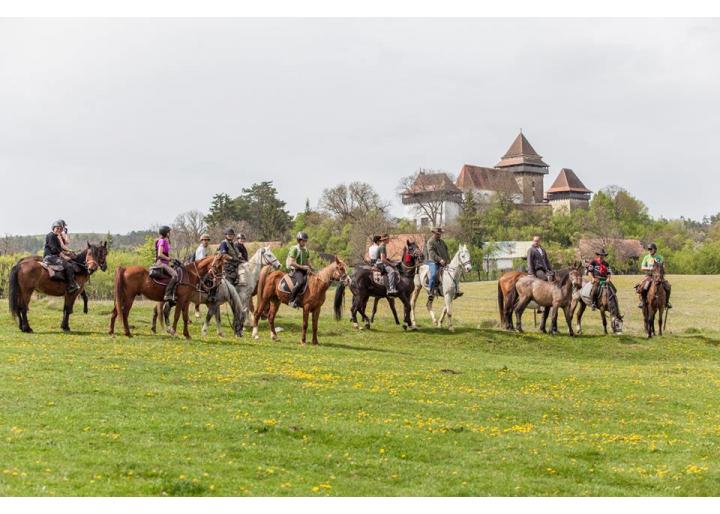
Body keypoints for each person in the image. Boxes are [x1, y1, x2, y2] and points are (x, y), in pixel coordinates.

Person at [425, 227, 463, 300]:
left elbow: (446, 252)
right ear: (434, 233)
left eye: (440, 234)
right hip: (433, 262)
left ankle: (457, 290)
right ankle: (431, 292)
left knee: (454, 274)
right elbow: (432, 253)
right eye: (438, 234)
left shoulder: (442, 242)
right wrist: (440, 260)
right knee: (433, 275)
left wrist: (448, 260)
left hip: (443, 262)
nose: (439, 235)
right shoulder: (430, 242)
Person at [43, 221, 80, 294]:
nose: (59, 230)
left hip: (53, 256)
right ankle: (71, 286)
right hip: (50, 257)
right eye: (57, 228)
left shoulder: (55, 236)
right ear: (53, 228)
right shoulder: (51, 236)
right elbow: (54, 249)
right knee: (69, 266)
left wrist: (68, 251)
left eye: (60, 229)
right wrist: (64, 257)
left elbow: (59, 248)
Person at [638, 242, 672, 309]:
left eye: (651, 249)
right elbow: (642, 267)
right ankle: (643, 302)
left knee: (668, 287)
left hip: (658, 276)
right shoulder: (646, 257)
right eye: (648, 249)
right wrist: (649, 268)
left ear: (655, 250)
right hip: (649, 276)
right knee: (643, 287)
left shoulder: (660, 257)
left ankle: (666, 302)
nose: (649, 250)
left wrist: (659, 269)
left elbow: (663, 266)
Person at [287, 231, 313, 308]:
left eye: (305, 241)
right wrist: (303, 267)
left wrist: (311, 267)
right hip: (295, 270)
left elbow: (307, 261)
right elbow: (291, 263)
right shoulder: (295, 249)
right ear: (299, 240)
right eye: (303, 241)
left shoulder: (306, 250)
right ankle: (291, 300)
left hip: (303, 270)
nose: (304, 242)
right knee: (301, 282)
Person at [155, 226, 178, 302]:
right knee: (175, 275)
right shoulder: (162, 241)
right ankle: (167, 294)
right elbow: (160, 254)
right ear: (165, 233)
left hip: (164, 263)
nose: (169, 233)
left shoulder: (163, 240)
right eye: (168, 232)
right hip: (161, 263)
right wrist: (169, 259)